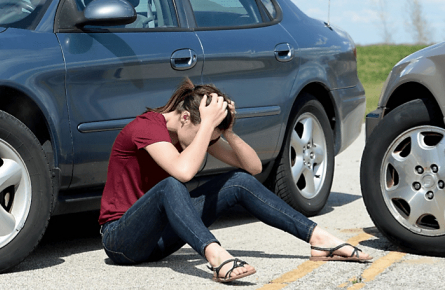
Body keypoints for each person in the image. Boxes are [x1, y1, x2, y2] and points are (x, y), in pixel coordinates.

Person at [98, 78, 372, 283]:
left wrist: (226, 132)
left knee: (237, 181)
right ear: (184, 117)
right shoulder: (146, 127)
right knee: (171, 186)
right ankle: (216, 256)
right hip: (122, 241)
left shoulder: (192, 131)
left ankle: (319, 238)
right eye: (204, 132)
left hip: (160, 239)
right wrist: (206, 126)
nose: (206, 142)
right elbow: (182, 173)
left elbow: (252, 167)